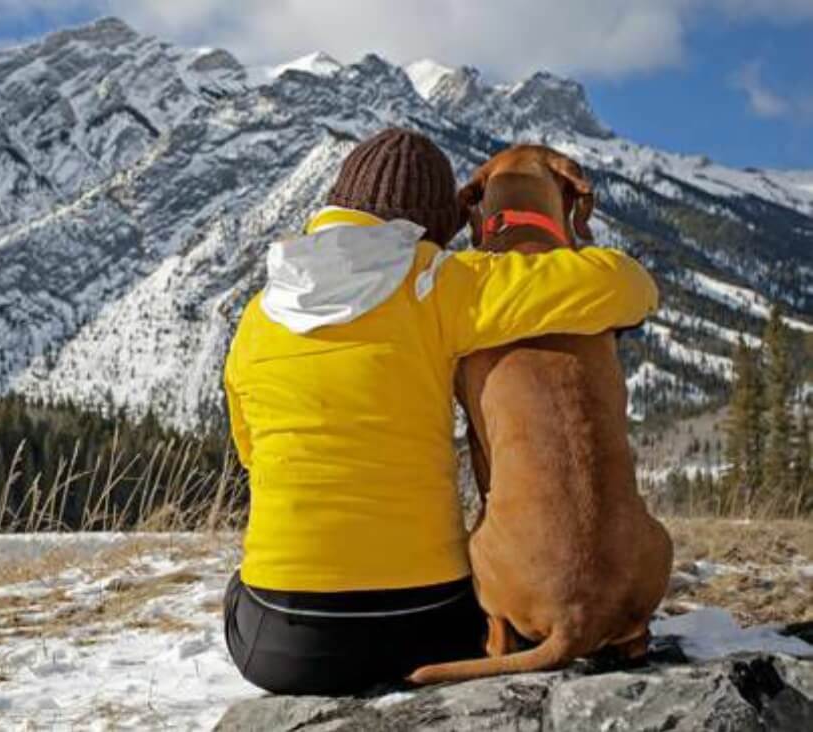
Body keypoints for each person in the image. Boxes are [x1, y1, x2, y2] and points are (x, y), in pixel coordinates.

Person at [222, 128, 658, 696]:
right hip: (428, 627)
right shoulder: (440, 282)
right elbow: (627, 285)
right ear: (430, 227)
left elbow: (252, 457)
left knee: (243, 585)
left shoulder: (256, 317)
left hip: (282, 650)